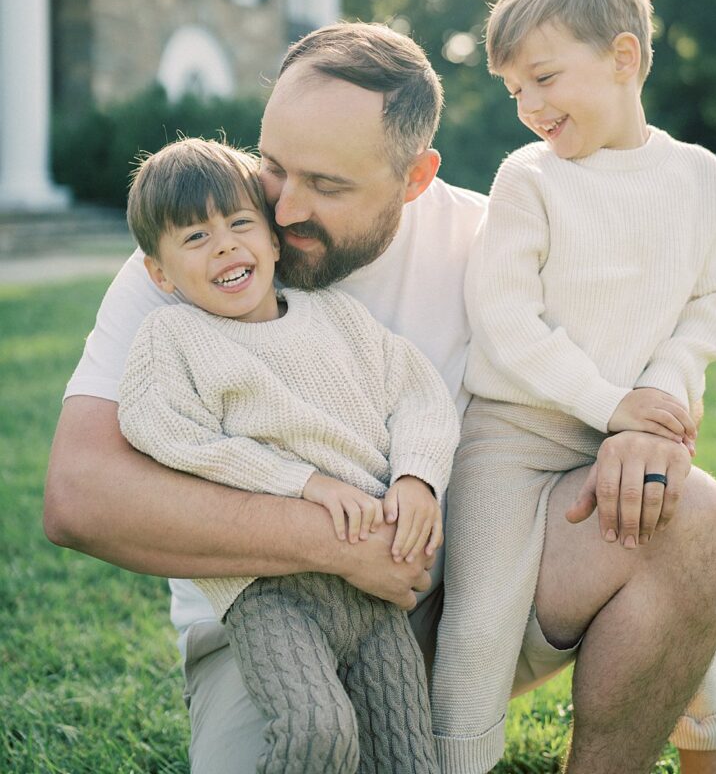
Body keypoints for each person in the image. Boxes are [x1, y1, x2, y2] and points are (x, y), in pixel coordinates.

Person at [44, 21, 716, 774]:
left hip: (471, 600)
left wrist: (649, 416)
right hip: (272, 629)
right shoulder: (201, 255)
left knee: (690, 512)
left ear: (415, 177)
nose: (280, 211)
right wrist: (339, 545)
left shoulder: (494, 239)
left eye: (329, 185)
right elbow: (78, 497)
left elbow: (662, 332)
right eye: (275, 166)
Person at [430, 0, 716, 774]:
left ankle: (702, 749)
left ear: (622, 57)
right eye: (513, 92)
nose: (530, 107)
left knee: (679, 544)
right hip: (514, 439)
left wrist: (660, 399)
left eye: (542, 78)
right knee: (482, 615)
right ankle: (454, 759)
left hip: (632, 425)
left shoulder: (694, 177)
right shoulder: (529, 179)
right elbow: (505, 319)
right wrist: (612, 404)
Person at [117, 137, 459, 773]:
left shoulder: (337, 318)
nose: (224, 245)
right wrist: (300, 481)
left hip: (375, 590)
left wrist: (416, 477)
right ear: (159, 273)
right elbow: (166, 434)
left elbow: (419, 396)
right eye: (195, 238)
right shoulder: (174, 338)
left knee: (408, 754)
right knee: (316, 730)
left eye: (241, 223)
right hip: (269, 588)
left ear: (273, 239)